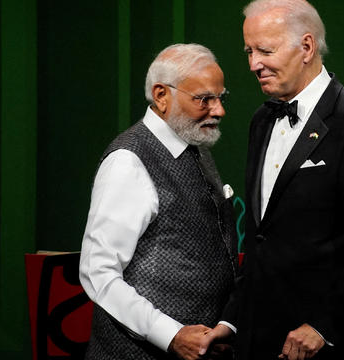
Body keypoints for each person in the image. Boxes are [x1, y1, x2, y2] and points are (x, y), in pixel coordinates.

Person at [202, 1, 344, 359]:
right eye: (249, 51)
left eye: (265, 50)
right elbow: (262, 239)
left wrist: (324, 326)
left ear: (306, 47)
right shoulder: (261, 120)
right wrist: (231, 321)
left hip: (325, 346)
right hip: (258, 340)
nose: (252, 64)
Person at [79, 43, 237, 360]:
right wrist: (171, 334)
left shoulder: (195, 143)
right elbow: (99, 272)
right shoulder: (128, 161)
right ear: (162, 95)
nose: (219, 110)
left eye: (221, 97)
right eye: (204, 99)